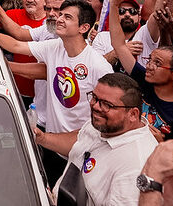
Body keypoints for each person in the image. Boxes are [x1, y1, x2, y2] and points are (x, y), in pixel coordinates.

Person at [0, 0, 112, 184]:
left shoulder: (99, 66)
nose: (59, 19)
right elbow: (16, 45)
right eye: (60, 14)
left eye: (67, 17)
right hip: (51, 144)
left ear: (83, 28)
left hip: (82, 151)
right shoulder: (54, 47)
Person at [34, 73, 158, 206]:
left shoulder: (136, 165)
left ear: (133, 114)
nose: (96, 107)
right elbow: (80, 141)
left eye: (107, 105)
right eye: (94, 97)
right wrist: (42, 138)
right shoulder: (106, 124)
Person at [109, 0, 173, 139]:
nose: (149, 66)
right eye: (149, 60)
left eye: (157, 63)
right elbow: (119, 45)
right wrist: (113, 4)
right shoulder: (144, 81)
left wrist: (161, 145)